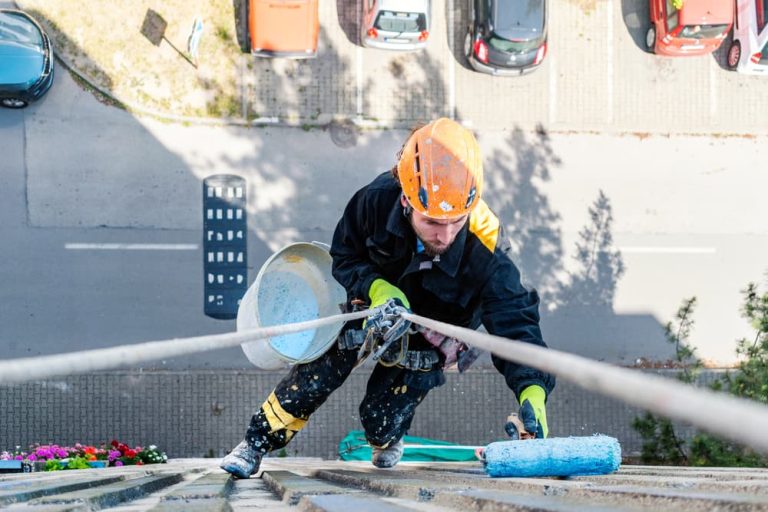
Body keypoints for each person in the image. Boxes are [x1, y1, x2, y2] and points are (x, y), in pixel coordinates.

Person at [221, 118, 556, 478]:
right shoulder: (376, 201)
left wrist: (532, 389)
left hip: (430, 332)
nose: (444, 235)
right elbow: (345, 255)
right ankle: (255, 443)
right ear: (407, 200)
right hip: (371, 307)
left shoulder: (488, 247)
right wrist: (376, 288)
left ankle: (388, 437)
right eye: (431, 222)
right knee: (315, 376)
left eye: (456, 222)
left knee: (380, 417)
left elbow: (514, 318)